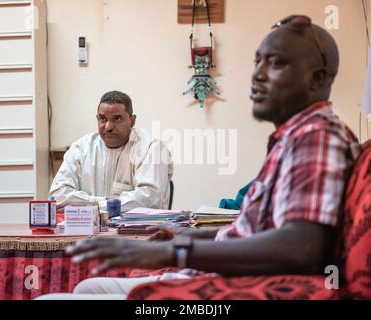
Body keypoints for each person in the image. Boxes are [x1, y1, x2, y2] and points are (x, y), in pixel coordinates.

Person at [38, 15, 361, 300]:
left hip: (237, 284)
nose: (258, 75)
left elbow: (301, 247)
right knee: (87, 288)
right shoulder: (293, 139)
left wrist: (177, 251)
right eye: (257, 62)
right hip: (222, 273)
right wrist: (187, 234)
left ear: (317, 79)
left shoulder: (316, 137)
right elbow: (257, 231)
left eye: (275, 63)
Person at [49, 90, 173, 212]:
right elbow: (58, 195)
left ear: (132, 121)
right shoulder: (81, 148)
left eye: (117, 119)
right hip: (87, 229)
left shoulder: (152, 148)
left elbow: (149, 200)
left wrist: (93, 206)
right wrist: (101, 204)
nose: (108, 127)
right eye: (102, 119)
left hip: (140, 230)